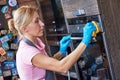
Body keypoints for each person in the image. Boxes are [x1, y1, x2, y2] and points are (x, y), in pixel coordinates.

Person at [8, 6, 96, 80]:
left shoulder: (36, 42)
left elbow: (46, 63)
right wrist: (85, 41)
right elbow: (62, 67)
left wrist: (60, 52)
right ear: (24, 29)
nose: (42, 24)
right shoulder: (27, 51)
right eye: (36, 21)